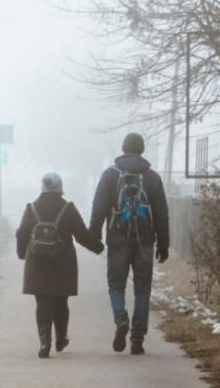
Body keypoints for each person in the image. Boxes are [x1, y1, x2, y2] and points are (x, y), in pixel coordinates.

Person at [89, 133, 169, 355]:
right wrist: (164, 243)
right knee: (142, 290)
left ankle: (120, 318)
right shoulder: (152, 177)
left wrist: (94, 235)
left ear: (123, 149)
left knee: (116, 285)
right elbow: (162, 214)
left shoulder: (109, 176)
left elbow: (98, 208)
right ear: (142, 150)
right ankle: (137, 340)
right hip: (144, 241)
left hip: (117, 240)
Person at [16, 173, 104, 358]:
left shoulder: (31, 208)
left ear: (43, 187)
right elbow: (81, 234)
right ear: (59, 187)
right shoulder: (67, 208)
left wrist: (22, 253)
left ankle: (44, 341)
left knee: (42, 302)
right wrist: (98, 247)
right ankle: (61, 337)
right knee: (61, 301)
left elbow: (22, 233)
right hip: (62, 262)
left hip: (37, 262)